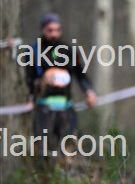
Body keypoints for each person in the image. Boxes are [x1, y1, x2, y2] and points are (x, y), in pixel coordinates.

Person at [26, 13, 96, 156]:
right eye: (50, 30)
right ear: (43, 30)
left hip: (66, 109)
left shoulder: (69, 51)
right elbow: (28, 78)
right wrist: (32, 93)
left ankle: (67, 167)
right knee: (44, 152)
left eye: (57, 30)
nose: (54, 34)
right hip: (43, 110)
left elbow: (81, 75)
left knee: (69, 150)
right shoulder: (33, 52)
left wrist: (89, 91)